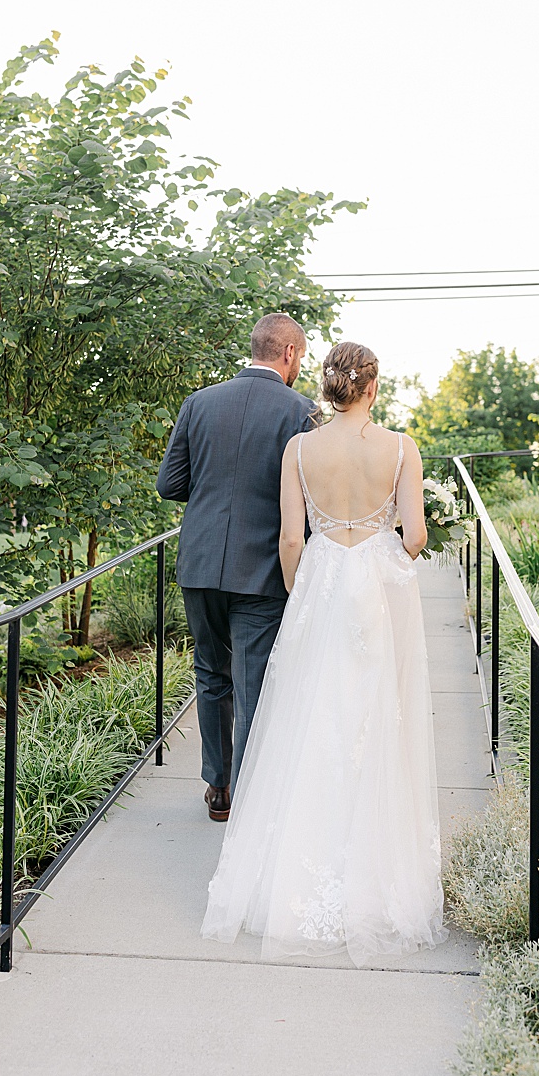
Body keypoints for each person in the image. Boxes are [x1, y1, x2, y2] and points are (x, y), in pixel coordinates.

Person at [200, 340, 446, 965]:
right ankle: (377, 873)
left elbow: (290, 537)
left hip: (319, 588)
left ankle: (292, 874)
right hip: (377, 598)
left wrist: (303, 588)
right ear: (371, 388)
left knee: (312, 722)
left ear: (332, 387)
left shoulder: (300, 448)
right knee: (376, 720)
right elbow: (413, 536)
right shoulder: (401, 448)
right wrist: (378, 557)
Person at [156, 312, 316, 822]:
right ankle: (247, 800)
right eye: (301, 359)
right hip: (262, 570)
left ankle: (218, 786)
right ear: (289, 354)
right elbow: (310, 498)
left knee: (210, 675)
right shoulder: (301, 412)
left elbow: (169, 485)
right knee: (252, 685)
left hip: (200, 564)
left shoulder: (199, 403)